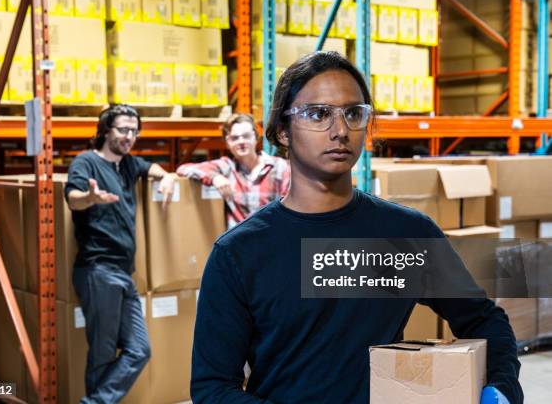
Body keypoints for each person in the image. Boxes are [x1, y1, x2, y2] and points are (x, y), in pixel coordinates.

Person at [190, 52, 522, 403]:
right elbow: (213, 388)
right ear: (282, 131)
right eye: (318, 114)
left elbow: (484, 319)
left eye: (353, 113)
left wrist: (501, 388)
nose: (340, 131)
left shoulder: (405, 236)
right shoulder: (240, 253)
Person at [65, 104, 177, 403]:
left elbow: (151, 169)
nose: (129, 136)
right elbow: (73, 199)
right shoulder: (86, 162)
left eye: (134, 131)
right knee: (102, 353)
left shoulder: (128, 165)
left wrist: (166, 176)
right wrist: (89, 197)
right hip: (98, 269)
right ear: (105, 130)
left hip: (124, 273)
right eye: (123, 129)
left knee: (140, 349)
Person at [176, 113, 290, 228]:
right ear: (227, 143)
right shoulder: (227, 168)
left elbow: (291, 210)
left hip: (273, 239)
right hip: (239, 243)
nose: (241, 142)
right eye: (234, 138)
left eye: (246, 136)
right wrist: (215, 177)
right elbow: (184, 168)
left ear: (256, 137)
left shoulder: (280, 167)